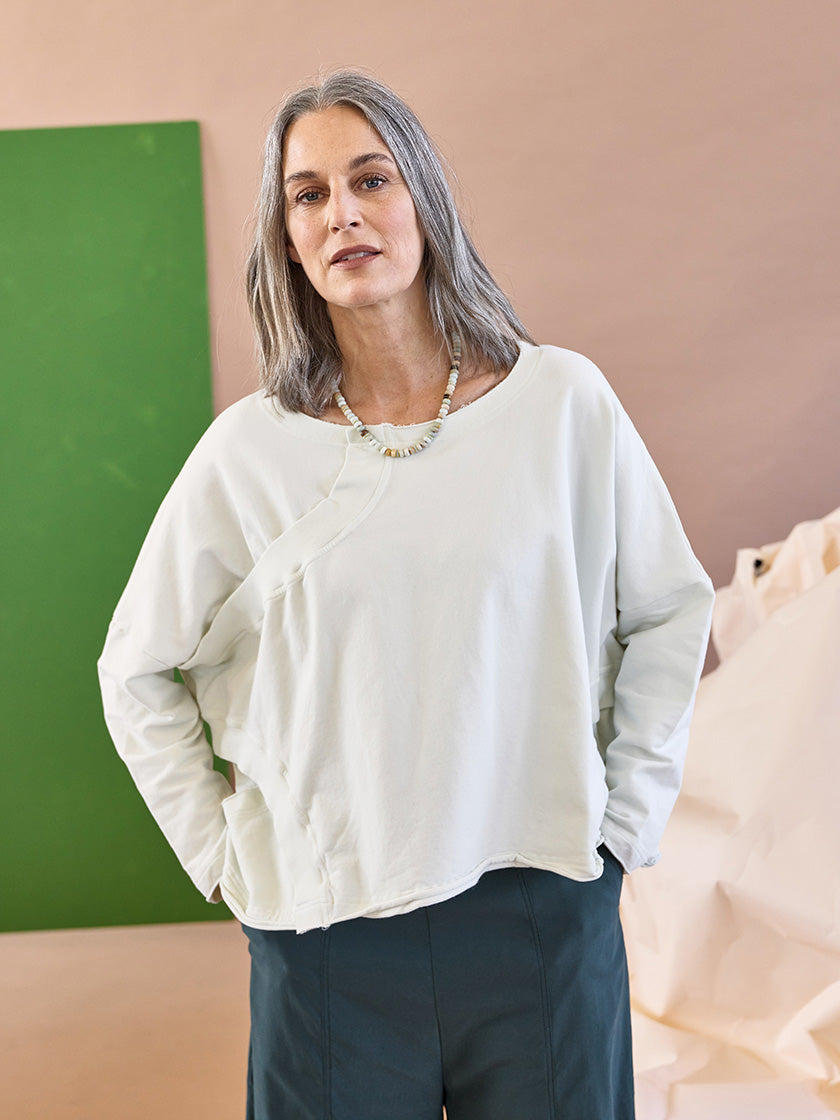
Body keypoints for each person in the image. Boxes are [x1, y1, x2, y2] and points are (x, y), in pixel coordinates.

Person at [98, 70, 714, 1120]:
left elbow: (667, 608)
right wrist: (223, 856)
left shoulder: (561, 406)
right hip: (326, 932)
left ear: (423, 199)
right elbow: (137, 669)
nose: (342, 212)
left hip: (543, 904)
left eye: (370, 179)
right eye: (308, 195)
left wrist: (624, 823)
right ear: (288, 241)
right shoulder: (250, 454)